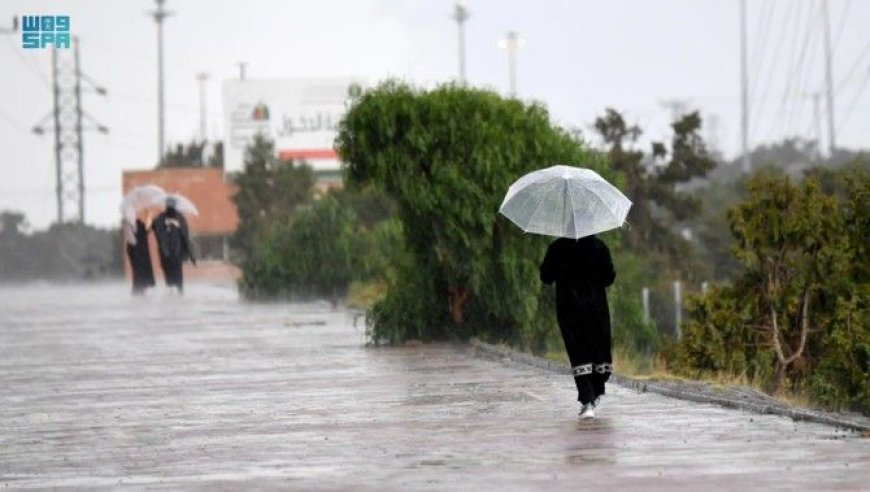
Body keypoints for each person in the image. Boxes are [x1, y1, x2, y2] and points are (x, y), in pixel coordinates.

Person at [539, 235, 616, 419]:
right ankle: (594, 392)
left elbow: (546, 277)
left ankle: (588, 399)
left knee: (578, 352)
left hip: (569, 309)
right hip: (596, 310)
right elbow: (609, 278)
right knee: (598, 350)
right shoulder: (599, 247)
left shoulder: (557, 247)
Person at [151, 197, 196, 293]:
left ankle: (179, 291)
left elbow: (185, 233)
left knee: (178, 274)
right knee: (168, 275)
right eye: (169, 205)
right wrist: (165, 225)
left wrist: (177, 226)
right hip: (165, 252)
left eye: (172, 205)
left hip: (177, 251)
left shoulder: (180, 217)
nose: (170, 207)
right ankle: (171, 291)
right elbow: (155, 228)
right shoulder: (161, 217)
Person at [123, 215, 156, 295]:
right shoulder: (133, 225)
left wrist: (151, 224)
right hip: (138, 252)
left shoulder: (132, 225)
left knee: (139, 271)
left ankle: (139, 288)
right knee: (139, 271)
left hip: (138, 252)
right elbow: (144, 232)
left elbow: (145, 232)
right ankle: (139, 288)